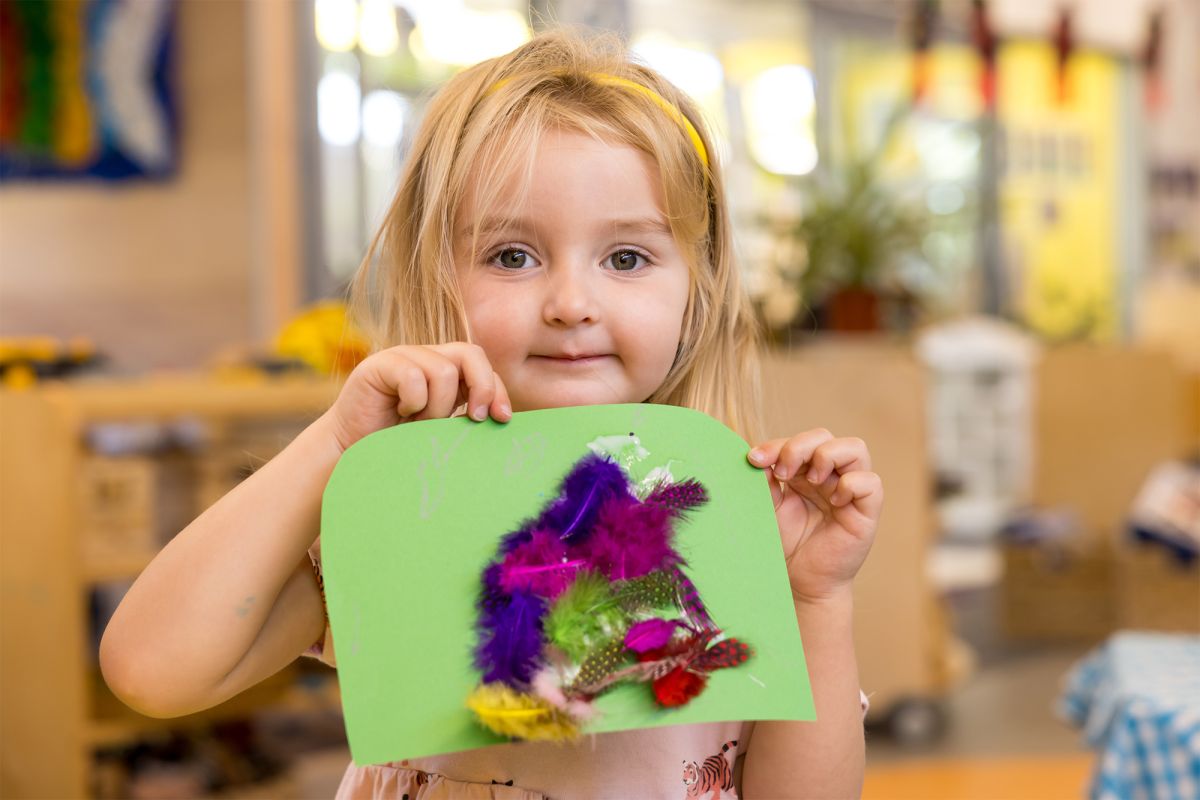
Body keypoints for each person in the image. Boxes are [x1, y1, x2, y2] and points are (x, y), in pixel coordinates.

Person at [100, 28, 882, 799]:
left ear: (697, 290)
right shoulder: (403, 515)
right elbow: (149, 670)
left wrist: (816, 598)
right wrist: (334, 443)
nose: (571, 304)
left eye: (626, 258)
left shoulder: (742, 525)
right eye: (513, 256)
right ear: (433, 274)